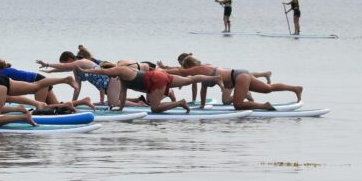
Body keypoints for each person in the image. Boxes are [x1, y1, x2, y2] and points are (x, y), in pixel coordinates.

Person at [160, 55, 301, 110]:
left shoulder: (201, 68)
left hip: (238, 77)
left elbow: (179, 72)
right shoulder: (203, 72)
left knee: (237, 105)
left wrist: (161, 71)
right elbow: (203, 90)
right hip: (240, 75)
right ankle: (295, 89)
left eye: (187, 68)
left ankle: (264, 105)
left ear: (190, 66)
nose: (188, 71)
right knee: (268, 89)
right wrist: (202, 107)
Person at [79, 61, 218, 113]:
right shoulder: (123, 78)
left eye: (110, 75)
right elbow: (123, 94)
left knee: (154, 108)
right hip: (158, 76)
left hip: (156, 80)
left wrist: (86, 71)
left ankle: (181, 103)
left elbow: (102, 71)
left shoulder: (120, 70)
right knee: (189, 80)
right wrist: (120, 108)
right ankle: (215, 78)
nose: (110, 77)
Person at [0, 58, 88, 111]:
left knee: (39, 109)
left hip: (39, 82)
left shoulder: (3, 72)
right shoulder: (7, 70)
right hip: (40, 79)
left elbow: (1, 87)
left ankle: (66, 80)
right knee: (53, 104)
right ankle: (83, 101)